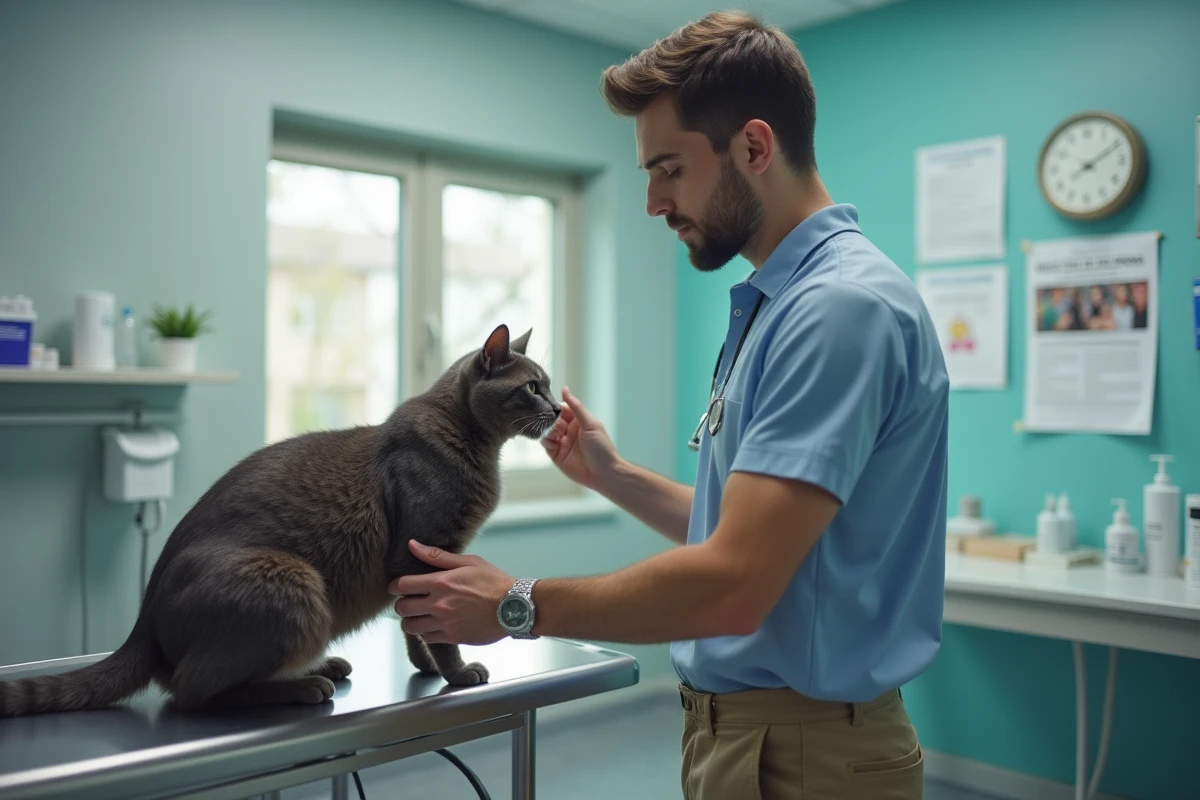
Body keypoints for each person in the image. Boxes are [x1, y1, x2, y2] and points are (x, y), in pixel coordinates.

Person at [391, 10, 948, 798]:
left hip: (804, 754)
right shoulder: (778, 304)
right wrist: (612, 474)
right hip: (750, 738)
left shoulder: (837, 311)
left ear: (753, 148)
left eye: (669, 170)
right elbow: (751, 534)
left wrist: (517, 604)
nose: (653, 202)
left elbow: (734, 583)